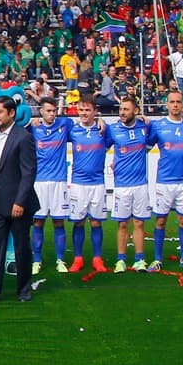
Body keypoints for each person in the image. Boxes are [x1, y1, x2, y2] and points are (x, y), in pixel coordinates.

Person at [0, 96, 38, 304]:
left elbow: (28, 173)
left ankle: (24, 289)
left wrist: (20, 202)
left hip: (18, 204)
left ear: (11, 113)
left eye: (0, 112)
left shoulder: (24, 137)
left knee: (21, 247)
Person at [147, 90, 183, 273]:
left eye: (178, 102)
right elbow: (144, 148)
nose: (175, 105)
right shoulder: (158, 126)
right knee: (160, 221)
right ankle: (157, 259)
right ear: (166, 104)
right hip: (164, 181)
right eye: (172, 102)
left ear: (182, 105)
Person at [104, 95, 150, 273]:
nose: (122, 113)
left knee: (139, 224)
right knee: (122, 224)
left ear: (136, 111)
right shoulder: (113, 129)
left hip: (140, 185)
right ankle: (121, 260)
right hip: (122, 185)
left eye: (126, 109)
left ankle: (139, 260)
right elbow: (103, 147)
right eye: (121, 109)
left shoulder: (145, 127)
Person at [67, 99, 110, 274]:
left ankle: (97, 258)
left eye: (87, 110)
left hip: (98, 184)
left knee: (96, 223)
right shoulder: (73, 130)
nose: (84, 113)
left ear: (94, 112)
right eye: (81, 110)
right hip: (78, 184)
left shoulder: (103, 131)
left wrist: (103, 121)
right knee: (78, 223)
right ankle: (78, 258)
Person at [29, 97, 71, 271]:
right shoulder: (33, 128)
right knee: (38, 222)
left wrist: (99, 120)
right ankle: (37, 260)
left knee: (58, 222)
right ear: (41, 111)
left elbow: (87, 122)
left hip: (59, 181)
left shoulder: (64, 124)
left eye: (54, 111)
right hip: (39, 182)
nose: (52, 114)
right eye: (48, 111)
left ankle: (60, 260)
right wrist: (32, 121)